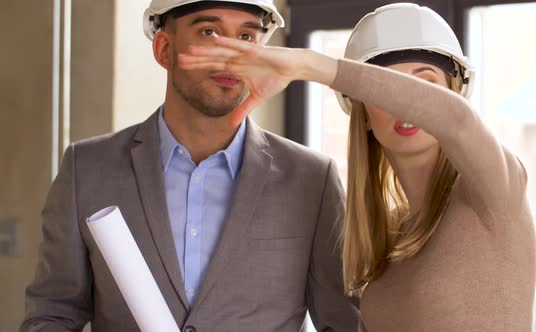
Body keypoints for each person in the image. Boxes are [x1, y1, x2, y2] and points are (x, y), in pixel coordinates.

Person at [177, 2, 536, 330]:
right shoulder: (389, 244)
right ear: (363, 114)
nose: (405, 105)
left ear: (453, 93)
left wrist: (308, 64)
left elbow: (457, 121)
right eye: (387, 90)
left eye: (423, 83)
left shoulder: (494, 196)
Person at [21, 1, 362, 331]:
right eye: (210, 32)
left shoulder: (312, 179)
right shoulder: (88, 169)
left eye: (246, 37)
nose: (231, 55)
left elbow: (344, 323)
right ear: (163, 49)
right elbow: (52, 315)